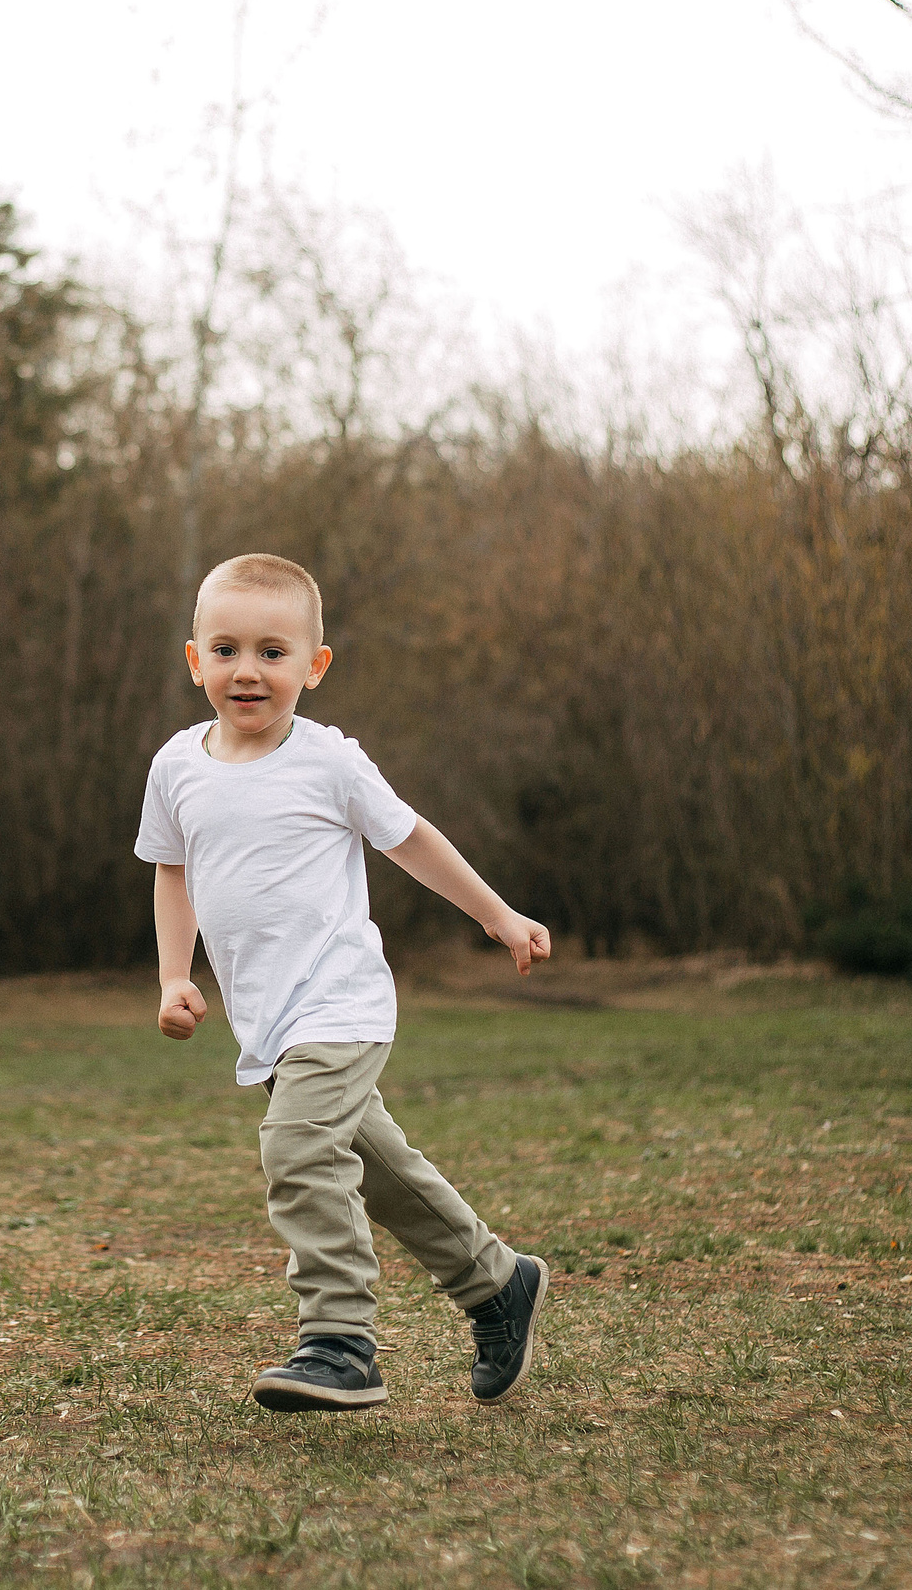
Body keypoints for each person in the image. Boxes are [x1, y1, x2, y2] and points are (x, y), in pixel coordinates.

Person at [135, 552, 556, 1414]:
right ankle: (497, 1282)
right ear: (194, 661)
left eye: (272, 651)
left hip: (342, 1002)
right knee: (378, 1163)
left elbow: (413, 840)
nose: (246, 669)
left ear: (313, 667)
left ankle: (340, 1339)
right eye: (225, 649)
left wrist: (497, 916)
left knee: (295, 1147)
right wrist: (176, 972)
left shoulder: (329, 761)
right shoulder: (177, 767)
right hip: (268, 1018)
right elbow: (171, 871)